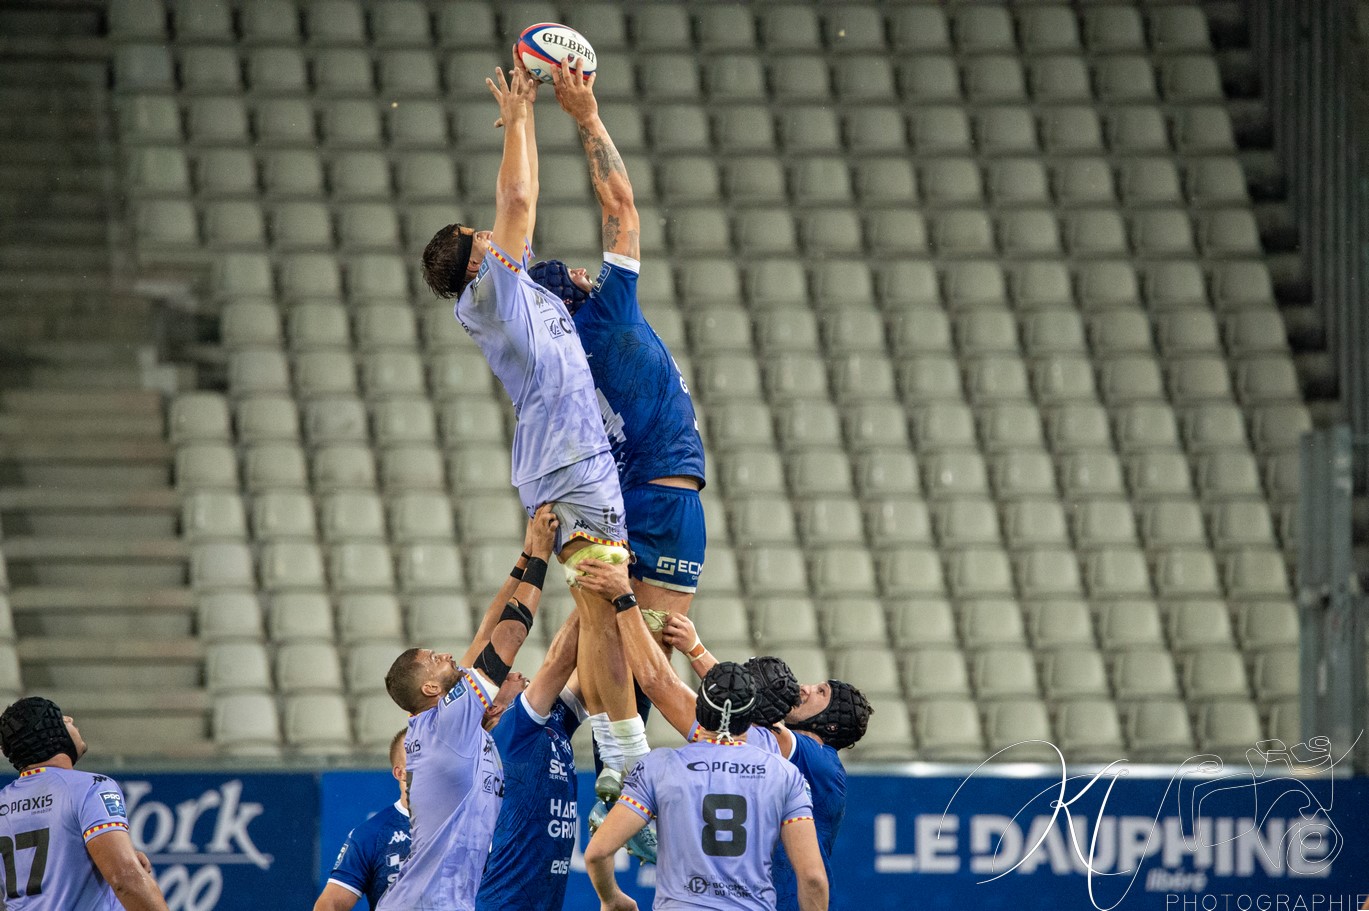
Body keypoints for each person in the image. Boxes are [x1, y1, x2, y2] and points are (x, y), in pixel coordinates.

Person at [420, 59, 647, 801]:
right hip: (573, 458)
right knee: (606, 606)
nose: (494, 233)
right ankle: (628, 769)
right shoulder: (491, 293)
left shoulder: (510, 292)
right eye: (480, 236)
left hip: (562, 458)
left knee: (596, 606)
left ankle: (618, 758)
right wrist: (521, 117)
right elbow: (519, 196)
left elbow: (520, 211)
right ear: (475, 262)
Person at [575, 559, 869, 911]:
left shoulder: (808, 758)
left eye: (821, 692)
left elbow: (672, 688)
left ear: (832, 725)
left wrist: (687, 644)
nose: (805, 688)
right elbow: (735, 702)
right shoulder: (782, 767)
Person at [377, 509, 557, 911]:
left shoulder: (444, 720)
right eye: (433, 659)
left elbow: (486, 632)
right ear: (429, 688)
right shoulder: (448, 723)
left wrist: (525, 557)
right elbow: (509, 635)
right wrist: (543, 556)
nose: (445, 655)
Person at [583, 663, 828, 911]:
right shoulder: (785, 774)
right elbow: (813, 878)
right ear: (750, 716)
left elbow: (598, 853)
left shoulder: (659, 766)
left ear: (699, 708)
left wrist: (612, 899)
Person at [0, 697, 169, 911]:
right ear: (49, 732)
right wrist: (126, 866)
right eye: (62, 719)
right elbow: (125, 878)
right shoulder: (91, 787)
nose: (70, 719)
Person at [475, 610, 584, 911]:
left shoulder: (550, 722)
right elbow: (559, 662)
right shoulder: (509, 732)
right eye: (504, 677)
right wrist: (588, 592)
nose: (516, 674)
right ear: (492, 708)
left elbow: (586, 672)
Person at [315, 730, 411, 911]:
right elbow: (331, 903)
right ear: (400, 773)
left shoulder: (464, 822)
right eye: (417, 754)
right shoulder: (370, 835)